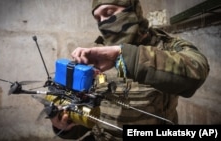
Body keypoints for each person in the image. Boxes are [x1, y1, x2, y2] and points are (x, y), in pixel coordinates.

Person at [50, 0, 210, 140]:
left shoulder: (166, 46)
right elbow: (93, 118)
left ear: (132, 9)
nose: (103, 23)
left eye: (109, 12)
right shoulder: (98, 56)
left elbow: (197, 70)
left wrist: (124, 56)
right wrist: (65, 125)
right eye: (98, 18)